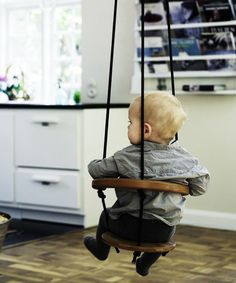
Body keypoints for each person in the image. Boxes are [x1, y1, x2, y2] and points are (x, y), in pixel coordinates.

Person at [84, 92, 210, 276]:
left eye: (130, 123)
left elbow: (95, 170)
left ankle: (101, 251)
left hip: (130, 227)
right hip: (163, 232)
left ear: (145, 130)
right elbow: (200, 188)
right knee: (164, 227)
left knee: (106, 215)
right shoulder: (185, 159)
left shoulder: (127, 157)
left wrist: (97, 162)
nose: (127, 127)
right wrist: (176, 185)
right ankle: (144, 264)